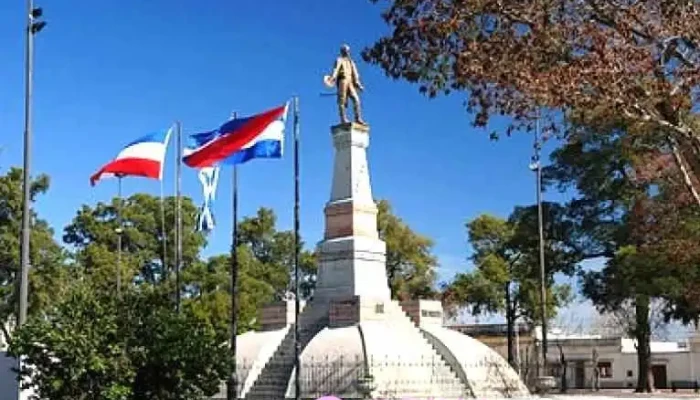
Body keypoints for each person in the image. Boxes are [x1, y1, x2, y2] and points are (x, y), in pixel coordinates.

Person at [328, 44, 366, 125]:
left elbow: (355, 74)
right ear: (343, 51)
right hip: (343, 80)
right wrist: (332, 78)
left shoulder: (351, 62)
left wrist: (358, 84)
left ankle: (358, 118)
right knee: (342, 100)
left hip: (350, 82)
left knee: (356, 99)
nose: (348, 52)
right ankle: (343, 118)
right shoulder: (339, 60)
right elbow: (335, 70)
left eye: (348, 51)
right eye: (346, 50)